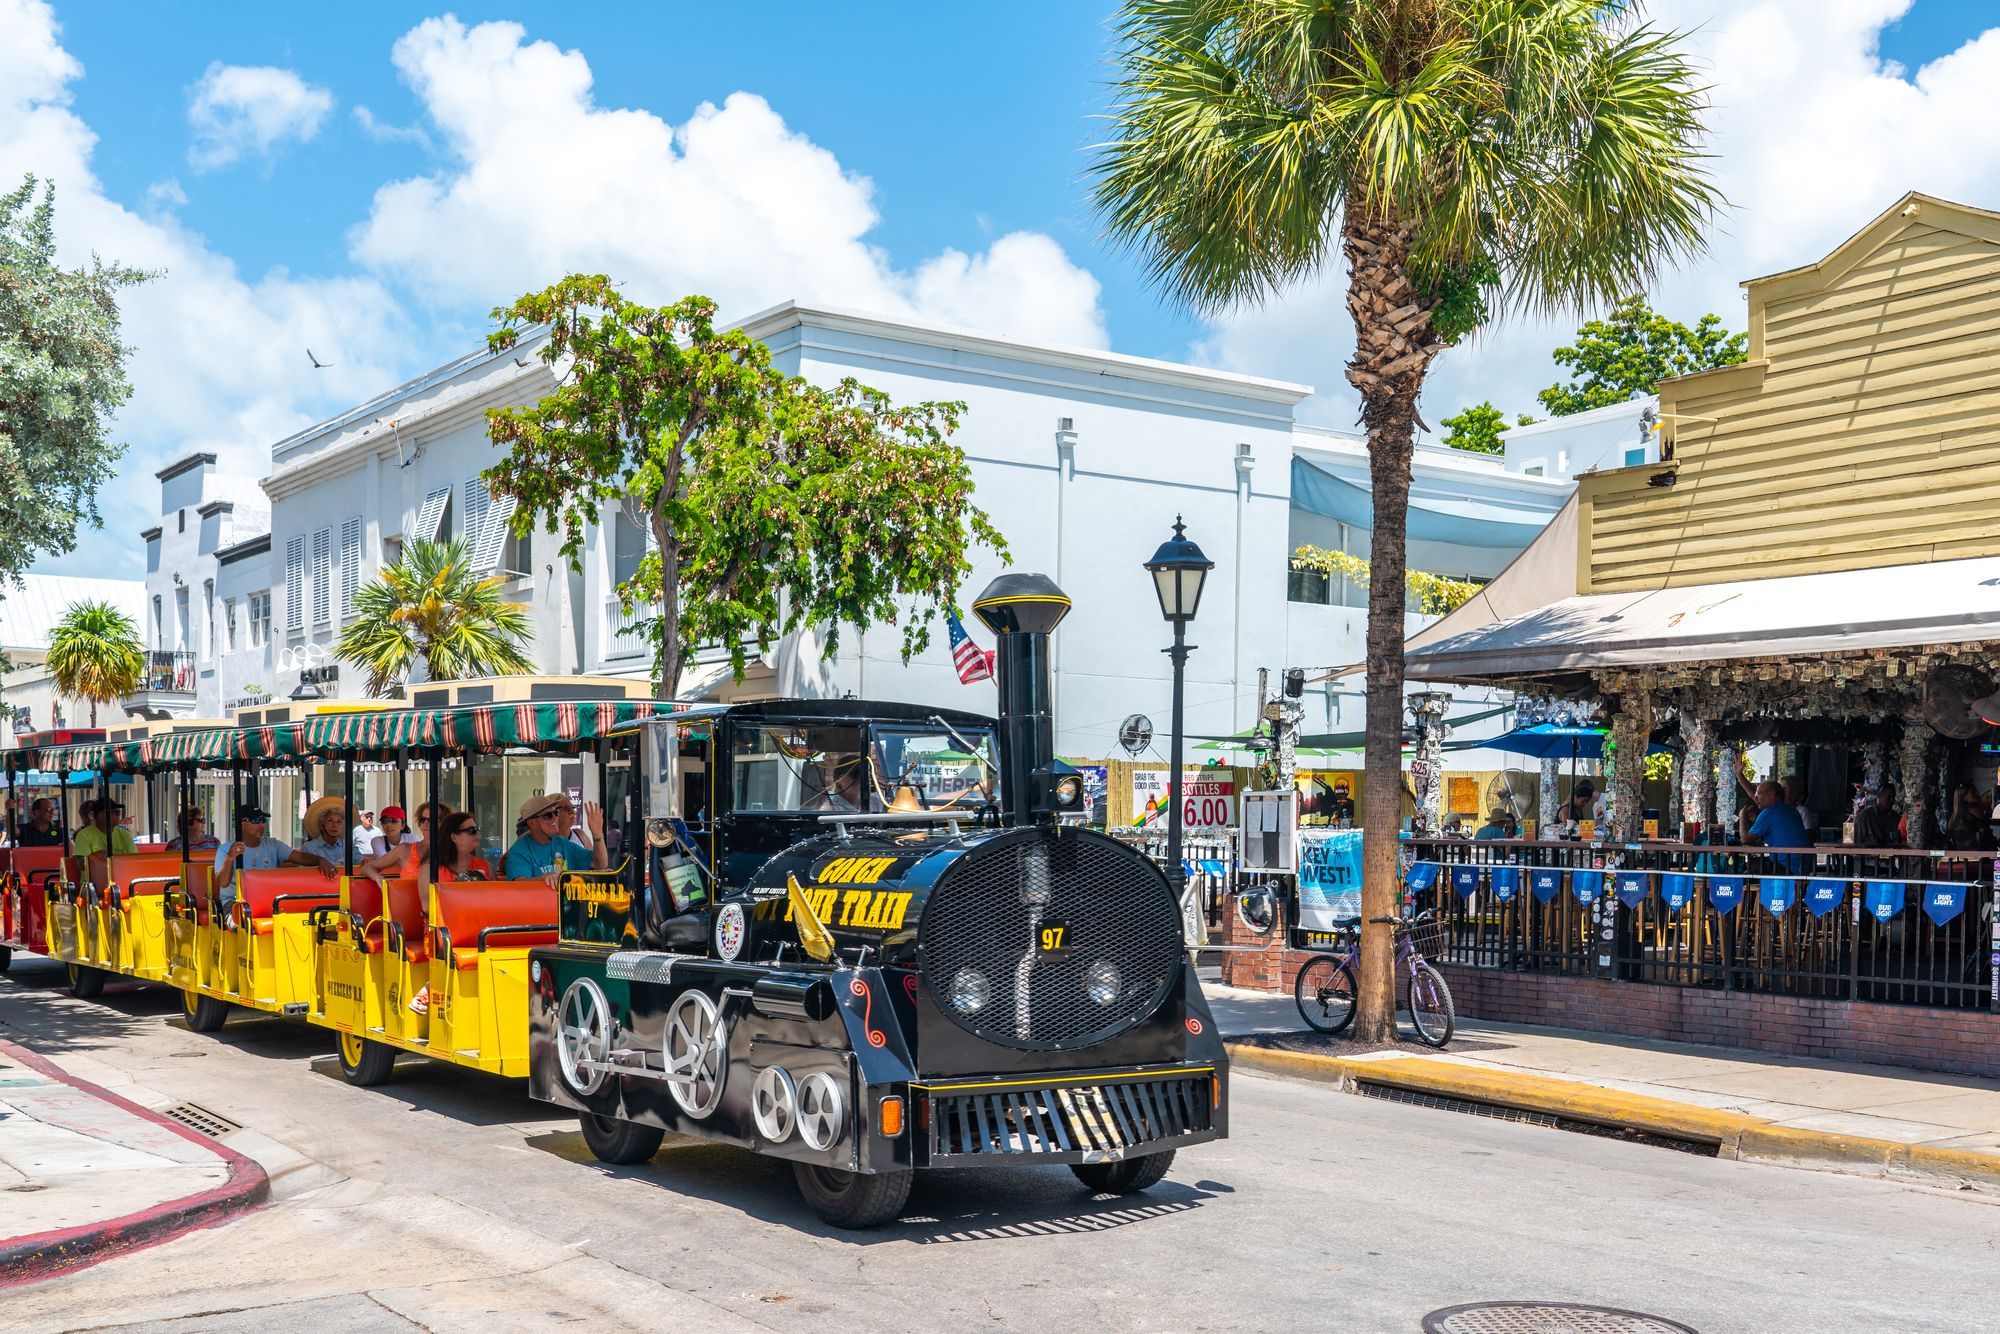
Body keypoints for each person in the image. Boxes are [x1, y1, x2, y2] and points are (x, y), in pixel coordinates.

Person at [212, 806, 312, 908]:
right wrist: (230, 858)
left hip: (269, 900)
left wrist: (321, 860)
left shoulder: (273, 845)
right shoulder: (225, 849)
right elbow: (223, 883)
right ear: (241, 824)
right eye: (255, 820)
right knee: (247, 920)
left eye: (263, 820)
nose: (261, 825)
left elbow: (301, 858)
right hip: (235, 902)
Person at [504, 794, 606, 881]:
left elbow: (599, 864)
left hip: (567, 904)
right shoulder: (520, 851)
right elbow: (519, 885)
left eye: (556, 813)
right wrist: (542, 879)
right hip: (540, 904)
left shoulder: (563, 844)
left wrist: (597, 835)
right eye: (548, 815)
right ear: (531, 823)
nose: (555, 818)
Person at [422, 811, 492, 885]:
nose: (478, 833)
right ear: (454, 837)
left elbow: (496, 895)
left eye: (477, 829)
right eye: (472, 830)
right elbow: (428, 896)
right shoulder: (430, 870)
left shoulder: (486, 866)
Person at [1744, 780, 1811, 852]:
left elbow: (1745, 839)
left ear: (1772, 795)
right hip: (1802, 861)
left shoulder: (1770, 812)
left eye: (1759, 794)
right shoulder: (1790, 809)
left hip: (1786, 862)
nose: (1756, 798)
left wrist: (1742, 816)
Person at [72, 800, 137, 863]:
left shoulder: (125, 835)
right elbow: (80, 864)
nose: (118, 815)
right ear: (97, 815)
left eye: (118, 812)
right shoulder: (84, 835)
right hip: (95, 873)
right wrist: (93, 857)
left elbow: (134, 861)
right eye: (113, 812)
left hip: (121, 873)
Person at [1945, 783, 1996, 852]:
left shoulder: (1954, 819)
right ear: (1963, 797)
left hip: (1964, 858)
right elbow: (1984, 839)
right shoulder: (1973, 813)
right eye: (1972, 792)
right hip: (1979, 857)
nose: (1977, 794)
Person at [1854, 783, 1902, 848]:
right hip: (1869, 856)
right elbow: (1855, 845)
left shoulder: (1895, 817)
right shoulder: (1864, 817)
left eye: (1893, 797)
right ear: (1879, 795)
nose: (1892, 801)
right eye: (1889, 797)